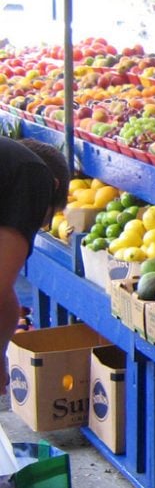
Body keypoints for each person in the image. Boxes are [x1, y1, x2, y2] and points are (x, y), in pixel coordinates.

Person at [0, 137, 70, 391]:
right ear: (54, 186)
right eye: (45, 221)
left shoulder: (9, 164)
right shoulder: (33, 174)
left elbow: (6, 296)